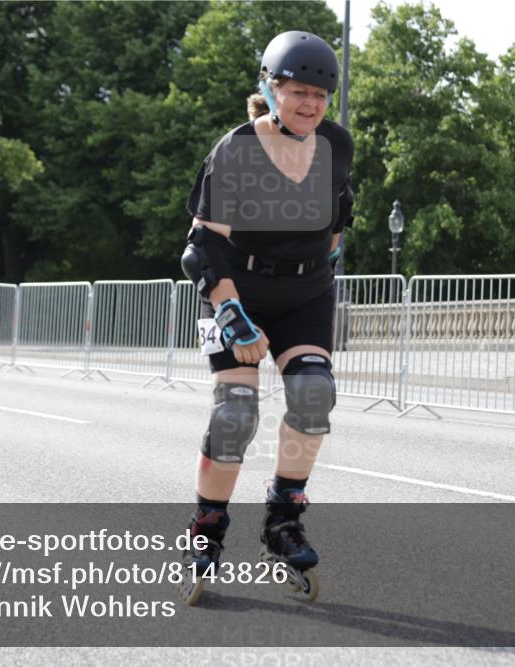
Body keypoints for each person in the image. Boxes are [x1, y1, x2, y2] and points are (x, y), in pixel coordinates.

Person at [178, 30, 354, 602]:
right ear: (270, 88)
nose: (310, 105)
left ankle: (283, 520)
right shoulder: (236, 150)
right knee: (235, 414)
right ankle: (206, 529)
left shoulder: (336, 146)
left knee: (313, 396)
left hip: (305, 294)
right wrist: (231, 313)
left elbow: (334, 227)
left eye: (320, 96)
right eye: (298, 91)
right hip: (237, 292)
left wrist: (312, 273)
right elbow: (202, 248)